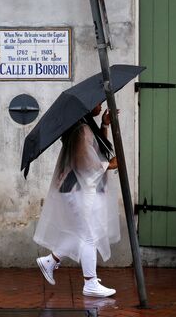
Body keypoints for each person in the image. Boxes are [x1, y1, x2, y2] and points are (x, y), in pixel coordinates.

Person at [34, 104, 120, 298]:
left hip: (79, 189)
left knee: (83, 233)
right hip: (77, 190)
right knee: (88, 235)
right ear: (88, 107)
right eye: (97, 103)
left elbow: (98, 151)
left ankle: (50, 260)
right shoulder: (81, 129)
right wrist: (110, 165)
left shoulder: (86, 126)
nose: (100, 106)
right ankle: (90, 283)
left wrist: (104, 126)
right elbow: (85, 161)